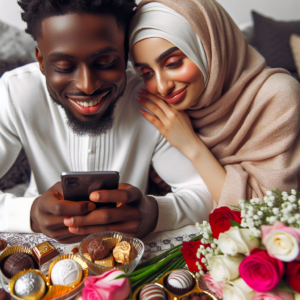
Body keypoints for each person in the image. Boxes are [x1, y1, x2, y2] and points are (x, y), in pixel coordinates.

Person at [0, 0, 213, 243]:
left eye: (105, 63)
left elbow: (208, 193)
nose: (87, 86)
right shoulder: (15, 92)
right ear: (41, 61)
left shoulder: (152, 100)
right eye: (64, 66)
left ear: (126, 55)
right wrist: (31, 215)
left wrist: (154, 214)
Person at [129, 0, 300, 206]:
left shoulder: (278, 95)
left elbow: (270, 213)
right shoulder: (170, 109)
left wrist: (191, 147)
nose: (162, 87)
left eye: (173, 63)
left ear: (209, 48)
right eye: (147, 73)